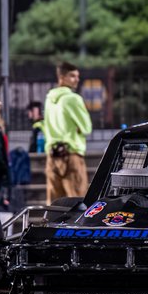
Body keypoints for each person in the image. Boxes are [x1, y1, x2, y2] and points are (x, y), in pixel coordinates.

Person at [42, 61, 93, 201]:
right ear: (62, 77)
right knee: (77, 201)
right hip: (71, 154)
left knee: (54, 203)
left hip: (52, 155)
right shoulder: (73, 99)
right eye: (72, 76)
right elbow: (87, 127)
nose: (77, 79)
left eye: (77, 76)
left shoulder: (49, 99)